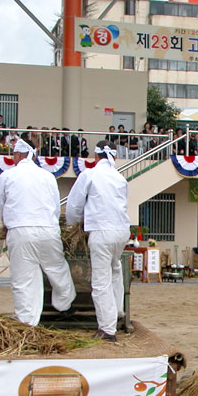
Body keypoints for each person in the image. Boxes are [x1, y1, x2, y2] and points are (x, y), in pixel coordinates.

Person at [0, 139, 77, 326]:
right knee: (57, 268)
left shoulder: (6, 176)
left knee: (23, 279)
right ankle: (65, 304)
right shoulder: (47, 176)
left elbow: (2, 207)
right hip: (47, 229)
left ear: (18, 155)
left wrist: (8, 224)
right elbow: (55, 207)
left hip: (20, 231)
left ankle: (27, 322)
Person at [66, 140, 130, 343]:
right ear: (114, 156)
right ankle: (118, 311)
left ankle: (107, 329)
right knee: (115, 268)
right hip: (121, 231)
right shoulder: (120, 178)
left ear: (95, 156)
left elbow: (74, 206)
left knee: (101, 280)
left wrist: (74, 224)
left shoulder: (90, 174)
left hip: (102, 231)